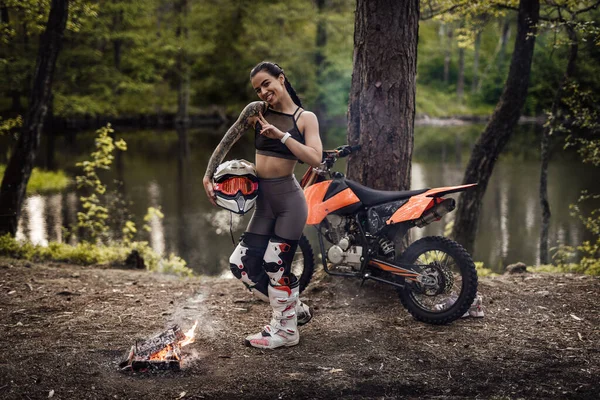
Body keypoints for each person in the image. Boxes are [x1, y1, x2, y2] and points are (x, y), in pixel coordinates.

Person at [203, 61, 323, 349]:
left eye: (267, 83)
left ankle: (286, 331)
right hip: (264, 203)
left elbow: (316, 158)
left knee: (274, 264)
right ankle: (294, 310)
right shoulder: (255, 112)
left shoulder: (305, 118)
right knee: (241, 264)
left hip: (290, 203)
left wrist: (280, 136)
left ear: (281, 79)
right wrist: (208, 175)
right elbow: (227, 141)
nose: (263, 91)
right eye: (258, 88)